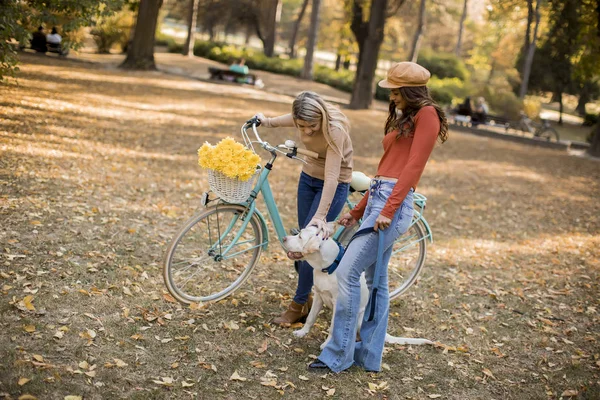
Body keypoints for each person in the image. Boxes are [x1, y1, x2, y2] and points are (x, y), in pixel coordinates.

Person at [309, 62, 448, 373]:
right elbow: (385, 168)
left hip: (393, 204)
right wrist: (358, 211)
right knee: (376, 281)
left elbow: (413, 167)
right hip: (379, 197)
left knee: (346, 273)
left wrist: (387, 210)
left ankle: (338, 354)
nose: (391, 95)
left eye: (395, 90)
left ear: (410, 90)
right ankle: (369, 354)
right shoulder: (406, 117)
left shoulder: (427, 115)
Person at [254, 91, 354, 326]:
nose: (306, 131)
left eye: (311, 126)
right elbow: (287, 118)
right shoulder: (300, 118)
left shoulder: (335, 129)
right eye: (301, 126)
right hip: (308, 178)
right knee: (302, 239)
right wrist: (265, 121)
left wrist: (320, 216)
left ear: (320, 116)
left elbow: (331, 177)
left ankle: (299, 304)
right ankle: (308, 294)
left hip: (334, 184)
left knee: (308, 247)